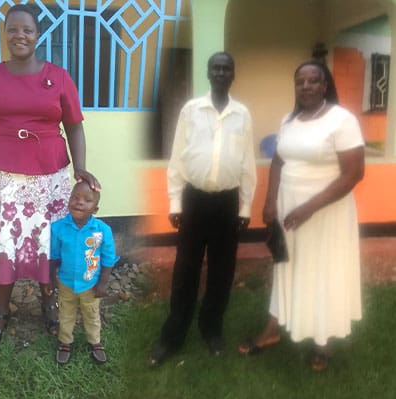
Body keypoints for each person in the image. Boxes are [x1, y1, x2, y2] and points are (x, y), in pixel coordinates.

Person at [0, 4, 99, 346]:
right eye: (13, 30)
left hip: (49, 180)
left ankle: (49, 304)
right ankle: (1, 310)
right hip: (0, 179)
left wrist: (80, 168)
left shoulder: (59, 77)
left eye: (27, 30)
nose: (19, 35)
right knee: (8, 244)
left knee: (46, 244)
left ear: (38, 35)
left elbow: (75, 127)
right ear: (5, 35)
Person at [238, 61, 364, 372]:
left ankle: (323, 341)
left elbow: (353, 175)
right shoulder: (289, 120)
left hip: (326, 213)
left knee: (324, 272)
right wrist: (269, 202)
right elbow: (279, 162)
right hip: (288, 211)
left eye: (313, 80)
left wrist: (309, 207)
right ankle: (272, 330)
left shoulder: (342, 120)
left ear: (325, 85)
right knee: (286, 268)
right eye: (300, 82)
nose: (306, 86)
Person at [149, 52, 257, 366]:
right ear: (208, 73)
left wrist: (246, 206)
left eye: (227, 67)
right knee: (186, 270)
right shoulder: (191, 110)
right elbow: (177, 158)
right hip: (194, 201)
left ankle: (212, 330)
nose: (221, 72)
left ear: (233, 74)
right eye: (216, 67)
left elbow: (247, 163)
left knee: (222, 272)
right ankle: (172, 337)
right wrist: (174, 201)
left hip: (227, 203)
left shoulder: (242, 114)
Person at [49, 181, 119, 365]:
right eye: (75, 197)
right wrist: (50, 279)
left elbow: (108, 258)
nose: (79, 202)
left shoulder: (102, 231)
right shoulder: (58, 228)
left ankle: (95, 342)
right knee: (65, 313)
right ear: (69, 201)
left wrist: (103, 282)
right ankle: (65, 341)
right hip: (66, 283)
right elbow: (54, 257)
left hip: (91, 284)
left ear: (95, 209)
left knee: (91, 313)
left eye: (87, 200)